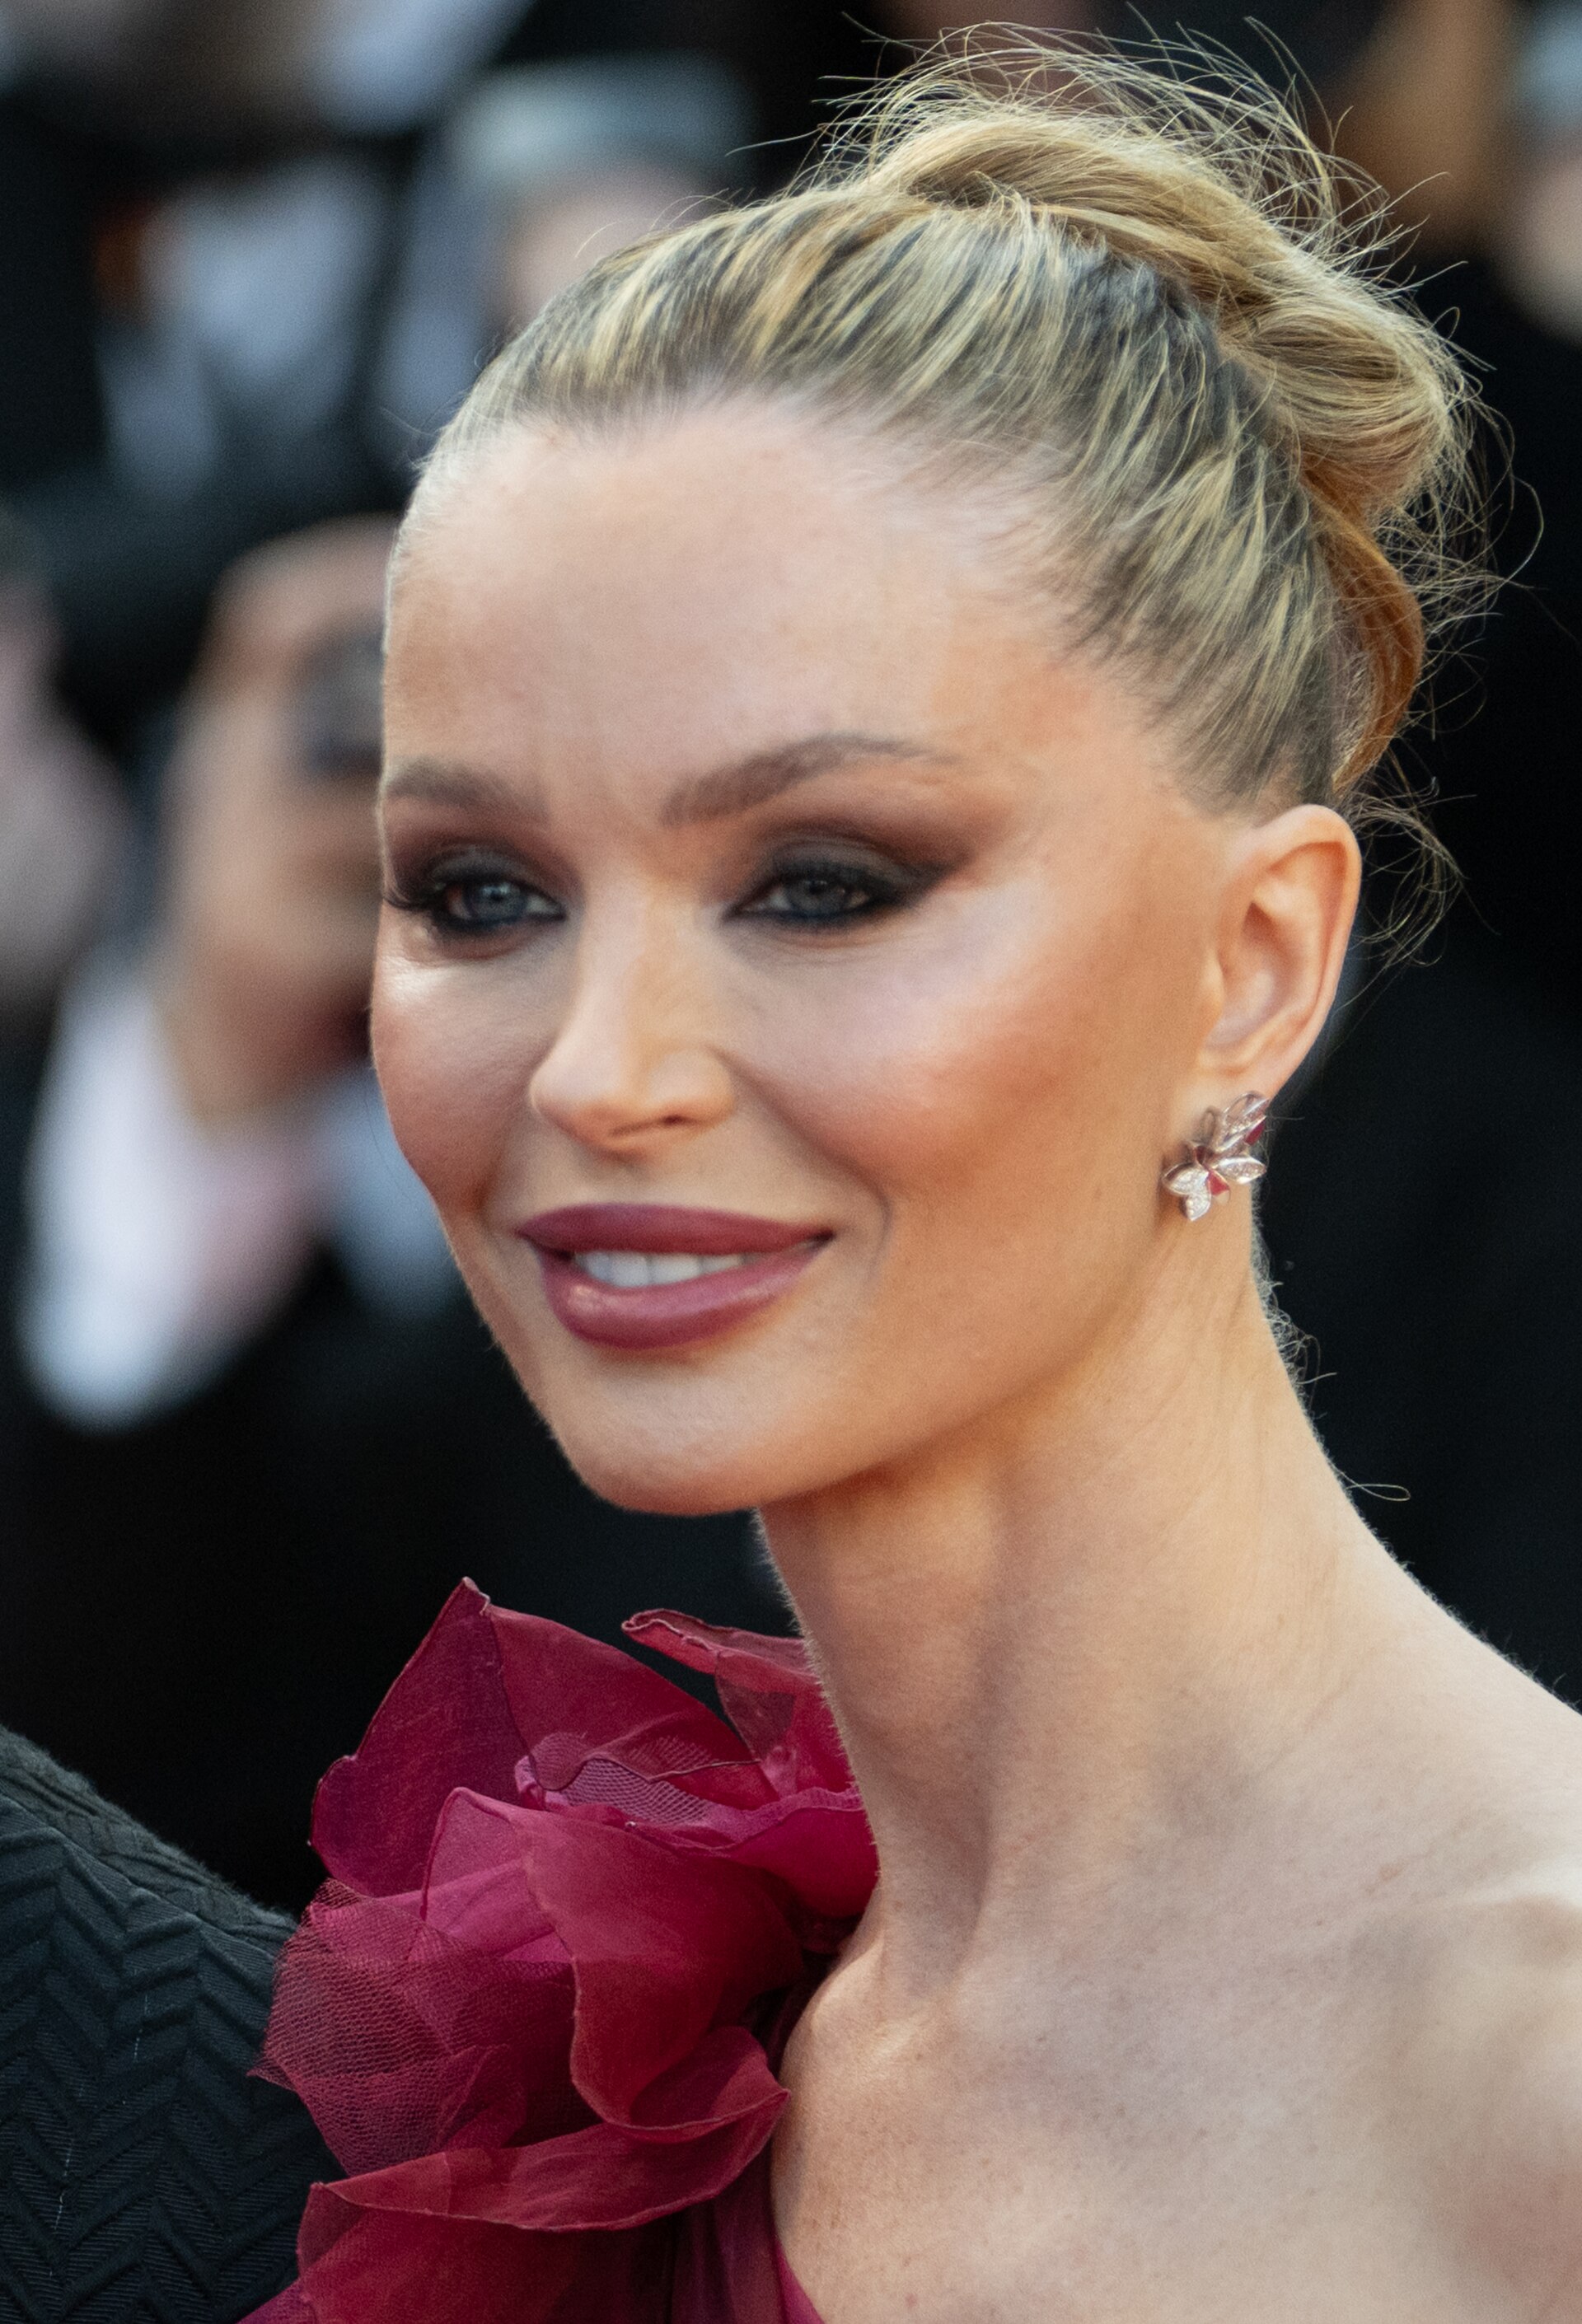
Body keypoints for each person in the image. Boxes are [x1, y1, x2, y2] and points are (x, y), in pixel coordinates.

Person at [236, 40, 1582, 2324]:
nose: (602, 1068)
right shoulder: (591, 2052)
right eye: (478, 893)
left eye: (826, 881)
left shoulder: (1541, 2072)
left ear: (1258, 970)